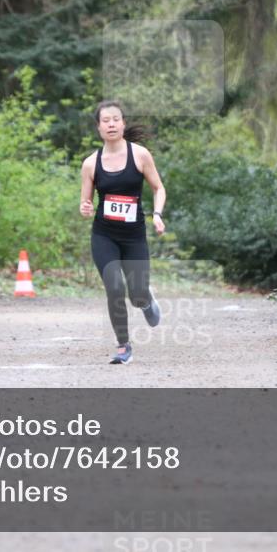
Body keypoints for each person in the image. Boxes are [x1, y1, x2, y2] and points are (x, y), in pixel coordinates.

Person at [80, 99, 166, 365]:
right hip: (104, 235)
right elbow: (86, 201)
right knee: (114, 288)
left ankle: (146, 299)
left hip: (134, 236)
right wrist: (84, 206)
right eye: (105, 121)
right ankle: (123, 345)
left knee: (136, 294)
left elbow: (158, 188)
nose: (111, 124)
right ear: (99, 127)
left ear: (123, 123)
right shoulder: (90, 163)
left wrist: (157, 215)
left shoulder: (139, 155)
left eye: (115, 119)